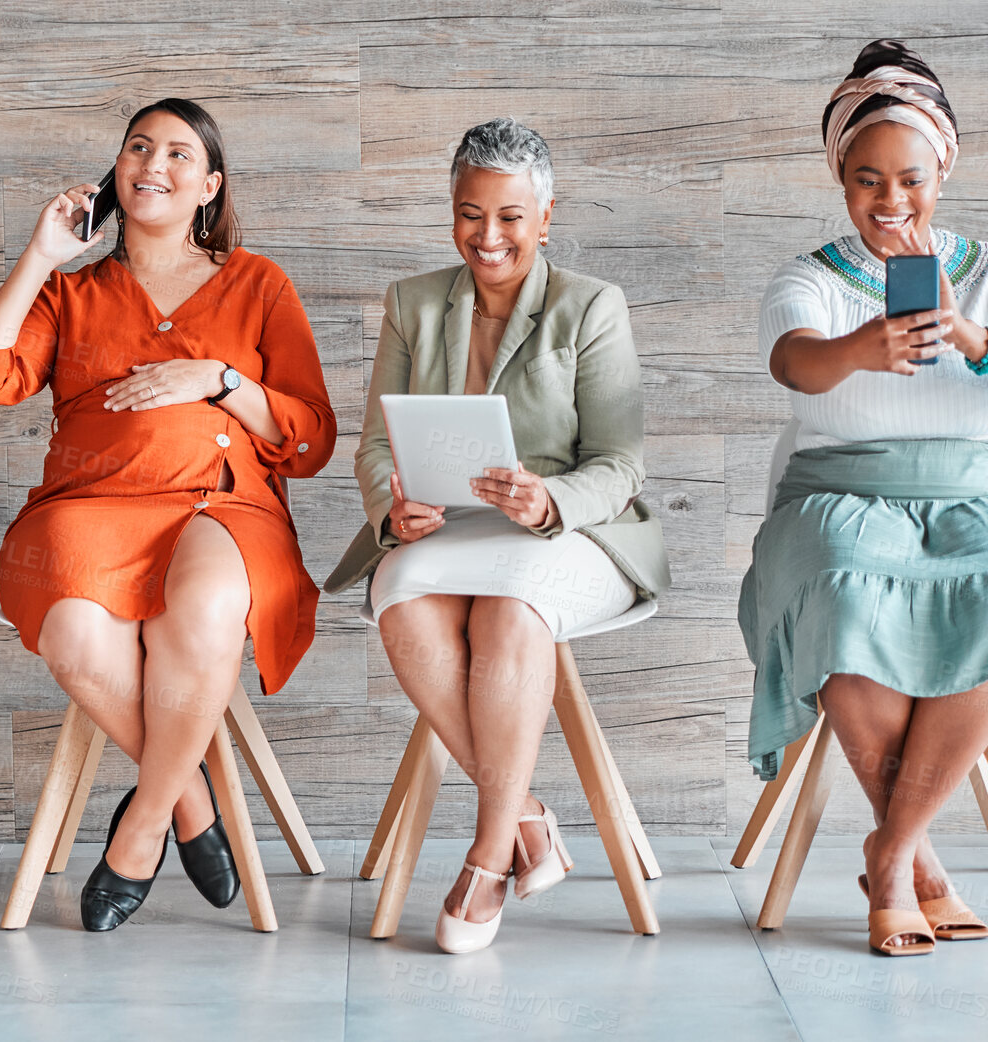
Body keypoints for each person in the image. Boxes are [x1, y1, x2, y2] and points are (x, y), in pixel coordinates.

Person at [0, 98, 335, 931]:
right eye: (137, 148)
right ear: (117, 171)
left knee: (207, 610)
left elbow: (312, 436)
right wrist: (39, 257)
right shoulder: (72, 292)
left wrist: (220, 381)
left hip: (222, 505)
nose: (153, 164)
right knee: (74, 633)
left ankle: (139, 831)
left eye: (178, 154)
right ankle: (187, 804)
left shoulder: (259, 283)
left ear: (209, 185)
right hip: (90, 504)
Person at [741, 40, 988, 957]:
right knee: (842, 598)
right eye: (867, 181)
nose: (891, 203)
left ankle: (893, 853)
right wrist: (862, 347)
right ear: (840, 180)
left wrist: (976, 337)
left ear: (944, 167)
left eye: (910, 178)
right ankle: (921, 864)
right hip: (840, 497)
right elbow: (793, 361)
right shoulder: (809, 274)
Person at [324, 117, 670, 954]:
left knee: (507, 613)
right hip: (449, 530)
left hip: (572, 535)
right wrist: (390, 510)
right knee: (398, 596)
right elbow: (374, 441)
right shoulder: (413, 302)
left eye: (510, 218)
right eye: (470, 214)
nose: (488, 236)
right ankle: (525, 817)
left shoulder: (590, 306)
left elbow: (622, 464)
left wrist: (550, 498)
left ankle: (487, 855)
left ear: (545, 218)